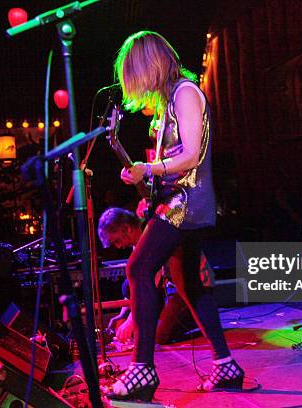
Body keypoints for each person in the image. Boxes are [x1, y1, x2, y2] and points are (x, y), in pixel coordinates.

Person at [107, 31, 243, 402]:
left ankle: (143, 368)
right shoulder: (168, 102)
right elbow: (172, 160)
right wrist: (148, 188)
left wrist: (148, 169)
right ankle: (226, 364)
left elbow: (191, 157)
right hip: (174, 199)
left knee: (138, 268)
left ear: (148, 67)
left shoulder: (185, 93)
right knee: (189, 285)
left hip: (188, 201)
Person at [98, 207, 211, 346]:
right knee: (128, 286)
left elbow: (148, 282)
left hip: (195, 286)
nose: (118, 247)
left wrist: (131, 321)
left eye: (117, 241)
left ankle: (197, 319)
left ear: (127, 229)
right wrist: (123, 313)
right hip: (175, 285)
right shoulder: (139, 238)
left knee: (159, 336)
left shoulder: (152, 234)